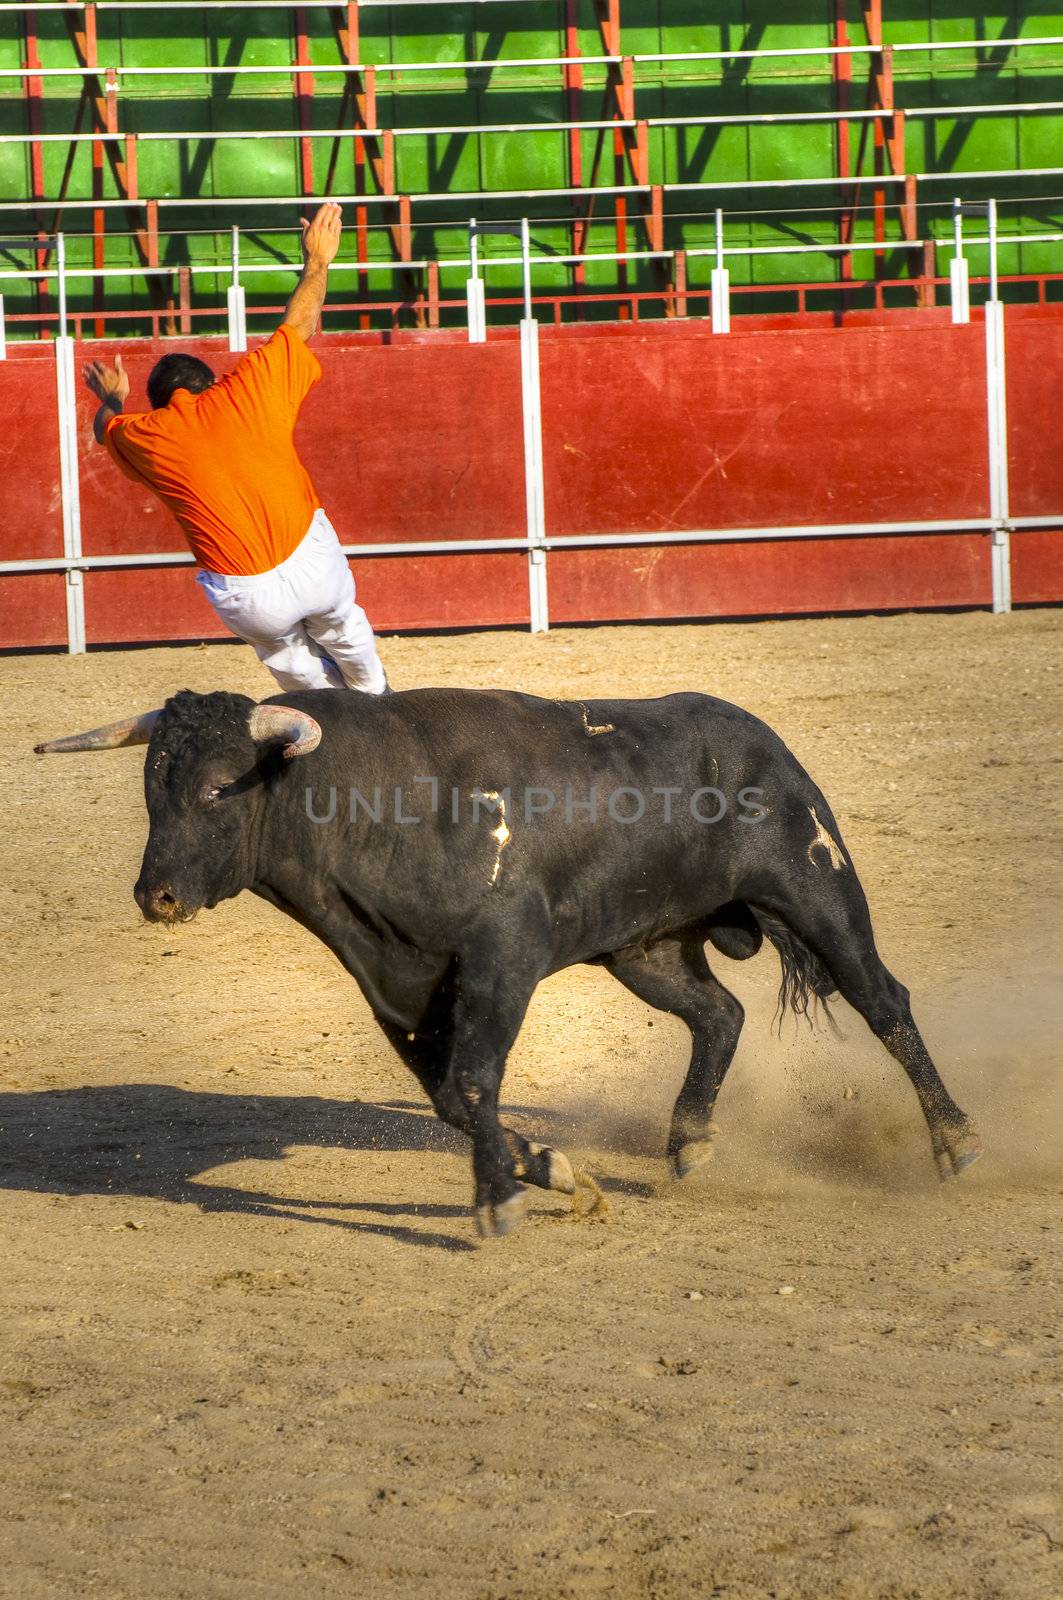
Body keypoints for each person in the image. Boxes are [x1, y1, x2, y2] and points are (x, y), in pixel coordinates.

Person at [83, 201, 388, 695]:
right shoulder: (246, 389)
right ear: (213, 384)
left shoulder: (143, 432)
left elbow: (104, 429)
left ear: (157, 403)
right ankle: (379, 699)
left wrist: (113, 397)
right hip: (312, 566)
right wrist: (318, 262)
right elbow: (299, 325)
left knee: (289, 660)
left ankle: (328, 718)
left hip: (247, 593)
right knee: (345, 628)